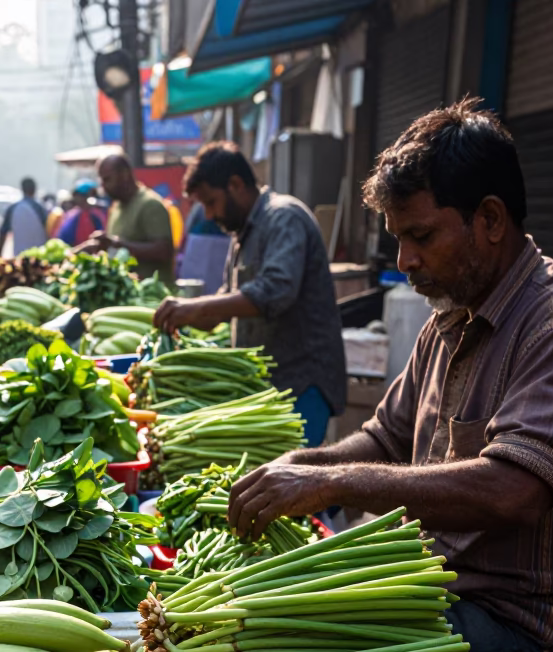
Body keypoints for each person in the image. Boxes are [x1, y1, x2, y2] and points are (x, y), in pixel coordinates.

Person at [228, 99, 553, 652]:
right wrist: (298, 468)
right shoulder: (450, 319)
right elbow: (382, 439)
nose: (404, 261)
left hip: (537, 644)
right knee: (263, 622)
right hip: (447, 597)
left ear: (490, 219)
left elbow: (513, 489)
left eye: (422, 236)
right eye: (397, 239)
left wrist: (337, 485)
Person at [154, 142, 345, 445]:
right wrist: (189, 319)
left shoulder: (284, 217)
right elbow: (229, 299)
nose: (209, 214)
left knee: (295, 478)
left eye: (211, 201)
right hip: (270, 384)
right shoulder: (242, 233)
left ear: (236, 184)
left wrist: (199, 308)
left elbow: (275, 291)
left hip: (302, 381)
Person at [84, 153, 174, 281]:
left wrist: (118, 245)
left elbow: (164, 251)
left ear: (124, 174)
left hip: (152, 296)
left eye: (107, 179)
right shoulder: (116, 207)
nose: (103, 186)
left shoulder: (150, 204)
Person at [0, 177, 47, 257]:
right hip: (40, 256)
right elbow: (49, 231)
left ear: (22, 189)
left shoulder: (13, 208)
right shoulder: (40, 209)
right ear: (34, 189)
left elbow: (3, 232)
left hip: (19, 257)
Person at [55, 178, 105, 246]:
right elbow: (63, 237)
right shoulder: (72, 214)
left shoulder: (96, 215)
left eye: (79, 195)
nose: (76, 198)